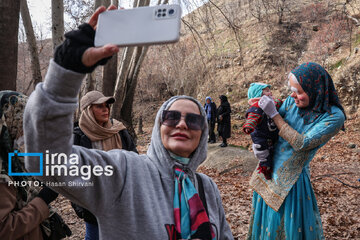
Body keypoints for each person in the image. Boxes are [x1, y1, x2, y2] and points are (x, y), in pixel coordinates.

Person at [24, 6, 234, 239]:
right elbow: (48, 160)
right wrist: (67, 68)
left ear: (203, 133)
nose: (182, 124)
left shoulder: (207, 188)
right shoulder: (124, 174)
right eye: (172, 116)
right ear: (158, 127)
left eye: (194, 120)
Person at [247, 62, 346, 239]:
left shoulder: (333, 116)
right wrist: (259, 140)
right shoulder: (292, 102)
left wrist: (274, 115)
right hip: (266, 174)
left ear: (315, 89)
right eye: (292, 90)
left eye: (299, 92)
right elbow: (272, 129)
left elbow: (302, 143)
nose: (293, 96)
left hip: (290, 184)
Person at [72, 90, 137, 240]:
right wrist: (81, 208)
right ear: (88, 111)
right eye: (99, 106)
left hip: (123, 200)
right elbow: (72, 174)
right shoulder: (77, 137)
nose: (105, 109)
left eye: (106, 106)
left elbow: (135, 162)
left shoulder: (119, 131)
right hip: (93, 205)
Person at [0, 91, 59, 240]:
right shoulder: (2, 172)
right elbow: (4, 229)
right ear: (10, 121)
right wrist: (43, 200)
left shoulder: (12, 158)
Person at [242, 83, 282, 180]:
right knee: (264, 154)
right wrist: (249, 126)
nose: (270, 92)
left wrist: (282, 101)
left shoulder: (270, 102)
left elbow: (277, 103)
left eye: (269, 90)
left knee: (272, 150)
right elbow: (252, 117)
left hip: (270, 133)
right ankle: (265, 170)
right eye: (267, 91)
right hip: (260, 136)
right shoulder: (257, 106)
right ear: (259, 95)